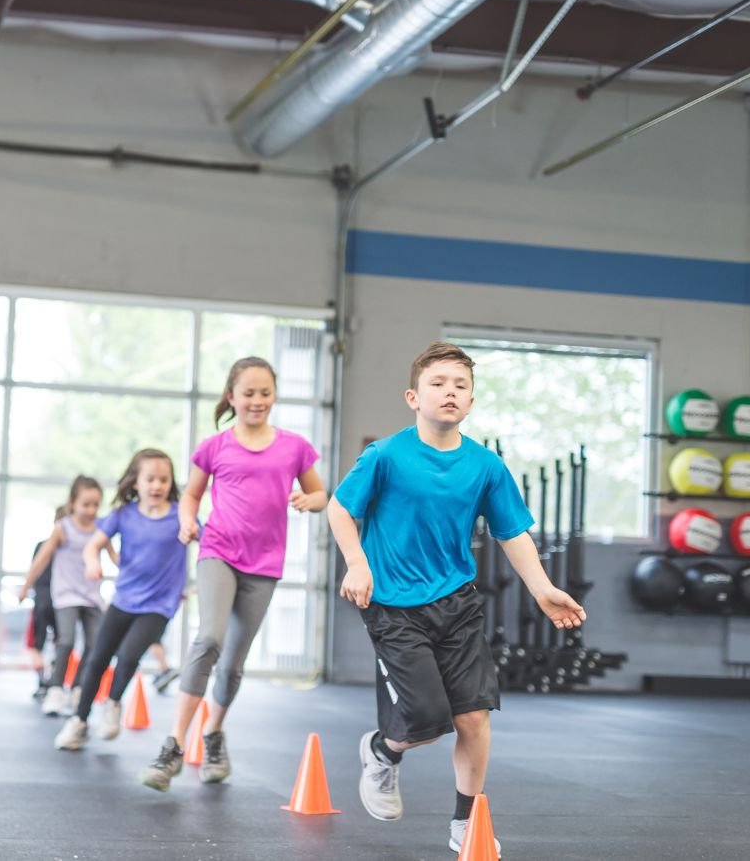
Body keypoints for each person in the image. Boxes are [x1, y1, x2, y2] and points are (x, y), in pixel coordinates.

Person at [327, 341, 585, 855]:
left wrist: (542, 589)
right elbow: (338, 509)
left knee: (474, 716)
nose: (450, 392)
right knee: (426, 719)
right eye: (438, 384)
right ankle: (382, 751)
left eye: (460, 386)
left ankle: (465, 822)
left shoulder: (486, 466)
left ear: (470, 403)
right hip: (395, 604)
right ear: (413, 397)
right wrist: (357, 563)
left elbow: (512, 533)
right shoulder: (386, 455)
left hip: (457, 603)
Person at [139, 356, 326, 791]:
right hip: (218, 551)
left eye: (264, 393)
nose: (257, 401)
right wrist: (188, 520)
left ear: (274, 396)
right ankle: (173, 747)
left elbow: (320, 493)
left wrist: (307, 500)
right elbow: (190, 494)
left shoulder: (294, 447)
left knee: (234, 666)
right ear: (232, 397)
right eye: (248, 393)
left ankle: (214, 734)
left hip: (264, 564)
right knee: (209, 640)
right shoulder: (215, 446)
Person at [54, 449, 190, 750]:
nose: (157, 486)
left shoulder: (181, 515)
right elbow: (94, 546)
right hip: (124, 599)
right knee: (96, 659)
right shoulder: (122, 515)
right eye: (150, 479)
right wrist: (92, 562)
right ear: (136, 482)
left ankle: (113, 703)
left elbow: (208, 543)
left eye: (164, 480)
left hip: (159, 604)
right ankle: (79, 721)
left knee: (129, 656)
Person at [19, 476, 108, 717]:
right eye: (86, 504)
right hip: (66, 595)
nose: (91, 510)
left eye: (96, 505)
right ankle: (55, 689)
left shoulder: (102, 528)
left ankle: (78, 688)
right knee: (66, 641)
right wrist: (26, 585)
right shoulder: (63, 528)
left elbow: (118, 557)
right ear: (73, 503)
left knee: (94, 644)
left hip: (91, 596)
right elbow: (42, 559)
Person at [24, 506, 66, 701]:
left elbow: (35, 569)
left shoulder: (46, 546)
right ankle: (50, 682)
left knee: (38, 645)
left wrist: (25, 589)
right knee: (59, 643)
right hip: (54, 601)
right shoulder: (58, 548)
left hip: (49, 601)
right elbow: (36, 568)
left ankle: (45, 683)